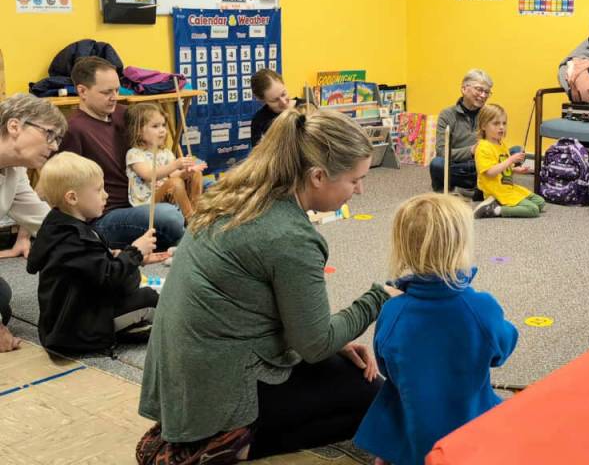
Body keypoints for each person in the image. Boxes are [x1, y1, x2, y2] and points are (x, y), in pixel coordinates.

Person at [137, 107, 401, 464]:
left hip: (182, 375)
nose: (360, 189)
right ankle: (223, 444)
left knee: (345, 374)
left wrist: (330, 339)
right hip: (220, 379)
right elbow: (314, 343)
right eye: (355, 180)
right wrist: (377, 298)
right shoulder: (290, 235)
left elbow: (265, 308)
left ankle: (202, 431)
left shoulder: (238, 195)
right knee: (372, 398)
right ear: (319, 176)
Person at [354, 193, 517, 465]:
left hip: (414, 433)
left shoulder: (393, 311)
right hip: (469, 426)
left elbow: (384, 365)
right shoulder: (481, 307)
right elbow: (503, 349)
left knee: (393, 396)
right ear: (460, 247)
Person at [28, 152, 159, 354]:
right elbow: (109, 278)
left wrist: (125, 258)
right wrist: (134, 253)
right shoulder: (74, 239)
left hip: (72, 320)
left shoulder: (59, 228)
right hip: (77, 331)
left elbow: (91, 269)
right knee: (152, 298)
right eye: (98, 190)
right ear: (72, 197)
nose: (105, 195)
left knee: (134, 283)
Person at [59, 56, 184, 250]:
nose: (115, 96)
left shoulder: (126, 114)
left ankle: (190, 235)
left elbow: (157, 141)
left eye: (117, 90)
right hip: (109, 215)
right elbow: (60, 184)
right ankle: (193, 236)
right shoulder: (73, 129)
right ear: (82, 91)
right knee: (169, 216)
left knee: (213, 187)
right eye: (106, 92)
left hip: (148, 196)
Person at [0, 94, 67, 353]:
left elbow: (47, 223)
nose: (55, 147)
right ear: (14, 126)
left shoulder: (14, 171)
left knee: (2, 297)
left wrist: (104, 251)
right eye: (49, 134)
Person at [124, 103, 206, 219]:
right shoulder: (134, 154)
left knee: (196, 174)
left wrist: (187, 172)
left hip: (168, 196)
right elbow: (148, 175)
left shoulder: (165, 152)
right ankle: (191, 220)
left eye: (163, 125)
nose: (162, 130)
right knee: (175, 183)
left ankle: (197, 212)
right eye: (155, 126)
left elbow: (174, 175)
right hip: (147, 203)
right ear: (138, 131)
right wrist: (175, 164)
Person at [472, 104, 545, 219]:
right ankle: (495, 210)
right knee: (533, 210)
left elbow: (502, 169)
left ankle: (497, 204)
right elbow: (490, 172)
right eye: (496, 123)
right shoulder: (483, 147)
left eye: (504, 123)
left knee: (540, 202)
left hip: (507, 187)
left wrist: (515, 169)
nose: (501, 127)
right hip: (496, 191)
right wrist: (511, 159)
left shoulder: (501, 144)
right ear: (483, 126)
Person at [430, 69, 493, 195]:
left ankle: (469, 188)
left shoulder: (490, 113)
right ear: (464, 89)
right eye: (479, 90)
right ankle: (475, 188)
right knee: (437, 164)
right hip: (457, 167)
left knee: (516, 152)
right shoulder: (447, 114)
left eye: (487, 92)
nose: (483, 96)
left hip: (481, 166)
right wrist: (471, 151)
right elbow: (442, 152)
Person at [249, 68, 306, 148]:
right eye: (275, 100)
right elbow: (258, 156)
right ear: (263, 100)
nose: (283, 102)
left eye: (283, 94)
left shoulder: (306, 107)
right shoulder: (259, 121)